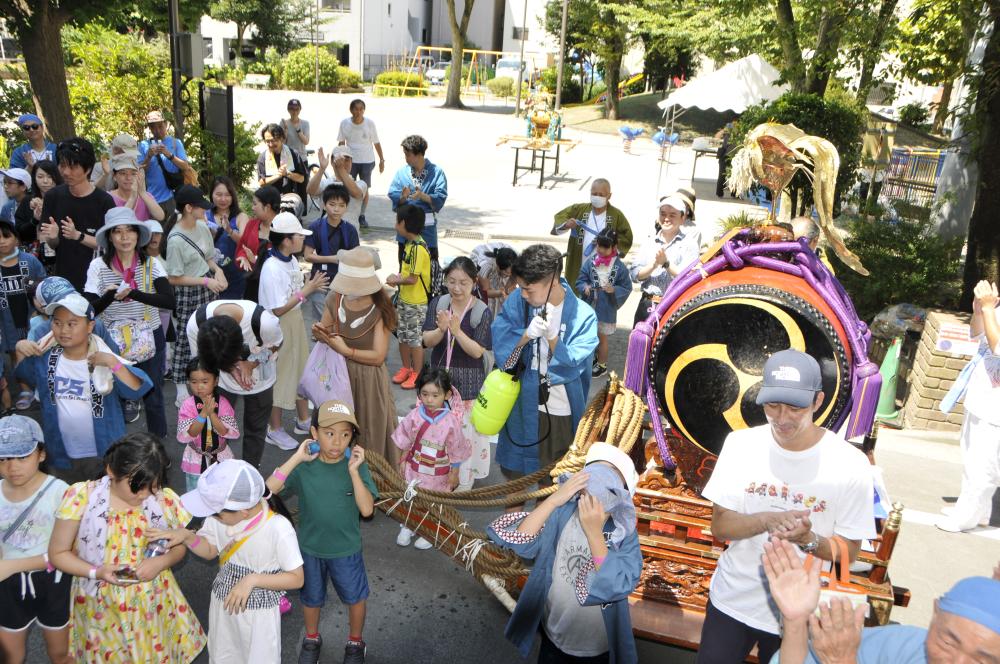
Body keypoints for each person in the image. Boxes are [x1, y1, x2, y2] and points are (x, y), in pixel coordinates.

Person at [696, 349, 877, 664]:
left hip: (801, 611)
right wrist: (766, 520)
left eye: (795, 407)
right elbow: (720, 526)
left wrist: (808, 540)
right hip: (733, 599)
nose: (782, 418)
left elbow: (849, 552)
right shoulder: (741, 446)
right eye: (772, 405)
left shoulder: (850, 464)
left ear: (818, 401)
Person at [47, 433, 206, 663]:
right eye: (137, 487)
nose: (144, 495)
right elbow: (58, 553)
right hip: (100, 605)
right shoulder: (82, 498)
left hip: (152, 602)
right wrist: (98, 572)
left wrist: (160, 562)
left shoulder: (162, 500)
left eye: (152, 487)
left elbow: (178, 546)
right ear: (111, 471)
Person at [487, 442, 643, 663]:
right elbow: (521, 540)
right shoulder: (564, 512)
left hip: (595, 646)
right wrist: (554, 500)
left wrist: (594, 534)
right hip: (553, 631)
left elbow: (619, 584)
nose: (592, 497)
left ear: (620, 499)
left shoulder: (624, 534)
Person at [147, 459, 304, 664]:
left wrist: (251, 580)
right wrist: (187, 536)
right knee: (224, 655)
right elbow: (210, 550)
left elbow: (296, 578)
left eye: (216, 512)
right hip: (224, 605)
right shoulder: (222, 518)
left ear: (243, 511)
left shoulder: (278, 528)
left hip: (259, 616)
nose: (211, 517)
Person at [762, 537, 1000, 664]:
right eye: (948, 643)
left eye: (983, 660)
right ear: (935, 615)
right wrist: (795, 621)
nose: (957, 662)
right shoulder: (907, 644)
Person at [266, 400, 377, 664]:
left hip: (345, 549)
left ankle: (355, 642)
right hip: (309, 548)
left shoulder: (356, 466)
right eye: (329, 433)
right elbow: (267, 490)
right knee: (311, 598)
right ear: (314, 433)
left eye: (345, 435)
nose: (338, 442)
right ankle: (312, 637)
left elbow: (367, 510)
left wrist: (353, 473)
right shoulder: (305, 464)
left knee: (355, 598)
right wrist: (296, 457)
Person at [14, 294, 152, 484]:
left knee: (102, 504)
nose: (63, 330)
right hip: (61, 453)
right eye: (57, 323)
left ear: (90, 326)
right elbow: (25, 375)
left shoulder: (103, 358)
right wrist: (20, 349)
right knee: (69, 503)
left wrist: (113, 363)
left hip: (104, 453)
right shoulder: (46, 357)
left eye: (72, 323)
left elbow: (136, 388)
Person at [492, 244, 598, 492]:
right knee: (515, 481)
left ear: (551, 280)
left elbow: (573, 365)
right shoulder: (519, 302)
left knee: (551, 484)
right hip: (520, 401)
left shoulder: (583, 315)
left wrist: (553, 339)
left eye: (528, 289)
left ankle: (543, 530)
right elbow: (501, 344)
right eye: (521, 288)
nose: (523, 294)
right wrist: (525, 336)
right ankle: (510, 529)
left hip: (558, 407)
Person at [84, 208, 174, 430]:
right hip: (112, 340)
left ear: (137, 235)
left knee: (153, 393)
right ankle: (118, 450)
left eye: (130, 231)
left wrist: (133, 293)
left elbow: (169, 301)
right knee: (112, 393)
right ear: (109, 237)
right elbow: (88, 310)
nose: (124, 237)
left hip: (150, 335)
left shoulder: (152, 264)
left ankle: (157, 445)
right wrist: (110, 295)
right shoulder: (98, 266)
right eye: (117, 232)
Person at [312, 248, 399, 467]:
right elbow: (327, 327)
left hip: (369, 379)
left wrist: (345, 350)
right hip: (339, 375)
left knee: (369, 433)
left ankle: (372, 483)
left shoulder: (381, 307)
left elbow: (378, 356)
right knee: (336, 430)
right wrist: (321, 334)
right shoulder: (335, 297)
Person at [0, 415, 72, 664]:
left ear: (41, 454)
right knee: (10, 656)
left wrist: (11, 565)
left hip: (53, 580)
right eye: (4, 459)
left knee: (60, 654)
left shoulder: (60, 491)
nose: (12, 467)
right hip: (6, 586)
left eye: (22, 456)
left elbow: (69, 550)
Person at [257, 212, 328, 449]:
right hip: (278, 326)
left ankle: (303, 420)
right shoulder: (271, 267)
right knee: (280, 376)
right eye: (299, 236)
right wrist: (307, 289)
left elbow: (294, 293)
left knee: (301, 370)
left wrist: (307, 284)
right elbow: (277, 309)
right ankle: (274, 428)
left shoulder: (291, 261)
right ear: (287, 240)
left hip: (294, 320)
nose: (302, 240)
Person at [421, 257, 493, 491]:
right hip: (439, 385)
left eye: (463, 282)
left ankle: (463, 481)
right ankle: (436, 477)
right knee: (437, 433)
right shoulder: (439, 303)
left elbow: (477, 352)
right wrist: (442, 330)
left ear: (474, 282)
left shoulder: (481, 311)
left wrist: (457, 331)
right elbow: (426, 340)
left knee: (463, 437)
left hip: (469, 385)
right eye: (451, 281)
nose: (456, 288)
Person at [189, 300, 284, 470]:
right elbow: (201, 366)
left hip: (260, 382)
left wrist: (251, 364)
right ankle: (216, 472)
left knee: (255, 429)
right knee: (215, 427)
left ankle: (249, 474)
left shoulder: (265, 323)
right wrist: (230, 368)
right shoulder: (196, 324)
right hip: (221, 385)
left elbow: (276, 344)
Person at [937, 279, 1000, 532]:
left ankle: (966, 517)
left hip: (995, 408)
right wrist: (979, 311)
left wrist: (987, 309)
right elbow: (978, 333)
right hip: (982, 397)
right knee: (972, 456)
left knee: (983, 465)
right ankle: (977, 509)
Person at [393, 367, 470, 548]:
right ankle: (409, 524)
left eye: (435, 395)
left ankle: (430, 529)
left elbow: (456, 448)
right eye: (425, 394)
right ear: (419, 393)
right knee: (412, 496)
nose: (429, 400)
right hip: (415, 467)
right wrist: (403, 460)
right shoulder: (414, 415)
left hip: (439, 472)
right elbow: (406, 439)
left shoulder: (451, 421)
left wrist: (455, 472)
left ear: (446, 394)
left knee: (434, 501)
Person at [164, 184, 226, 399]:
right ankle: (182, 389)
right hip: (189, 292)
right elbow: (173, 278)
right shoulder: (175, 240)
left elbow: (208, 257)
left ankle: (207, 379)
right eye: (201, 207)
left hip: (206, 286)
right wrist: (205, 282)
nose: (205, 210)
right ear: (189, 208)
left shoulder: (202, 227)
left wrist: (218, 271)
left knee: (208, 335)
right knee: (185, 337)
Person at [38, 138, 116, 291]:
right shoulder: (53, 196)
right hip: (65, 280)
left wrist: (78, 236)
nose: (66, 172)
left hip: (99, 280)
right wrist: (53, 237)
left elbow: (111, 244)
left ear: (87, 169)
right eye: (62, 165)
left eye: (73, 167)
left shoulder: (104, 201)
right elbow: (52, 244)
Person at [629, 189, 701, 327]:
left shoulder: (689, 244)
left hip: (673, 307)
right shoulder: (649, 241)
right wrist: (654, 265)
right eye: (663, 214)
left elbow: (691, 277)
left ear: (682, 218)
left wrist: (666, 264)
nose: (666, 218)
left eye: (672, 215)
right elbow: (634, 274)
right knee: (640, 346)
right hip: (647, 305)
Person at [552, 178, 633, 292]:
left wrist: (611, 243)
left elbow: (626, 237)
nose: (597, 197)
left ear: (609, 196)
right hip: (578, 263)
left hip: (604, 268)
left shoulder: (616, 215)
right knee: (577, 294)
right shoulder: (579, 209)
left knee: (600, 298)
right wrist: (566, 224)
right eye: (594, 194)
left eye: (601, 194)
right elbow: (561, 216)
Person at [302, 183, 360, 340]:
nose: (336, 209)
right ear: (324, 205)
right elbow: (307, 255)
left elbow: (355, 257)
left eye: (341, 205)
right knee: (322, 322)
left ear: (346, 207)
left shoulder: (350, 230)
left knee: (339, 319)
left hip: (343, 281)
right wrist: (333, 259)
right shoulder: (315, 226)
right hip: (320, 280)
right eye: (332, 204)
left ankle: (333, 343)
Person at [0, 219, 46, 411]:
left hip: (30, 314)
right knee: (14, 351)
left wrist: (41, 308)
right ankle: (25, 388)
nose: (2, 241)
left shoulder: (30, 260)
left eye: (6, 236)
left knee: (37, 348)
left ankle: (41, 385)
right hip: (6, 318)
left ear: (16, 239)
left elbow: (42, 282)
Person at [576, 228, 633, 378]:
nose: (600, 250)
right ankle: (591, 359)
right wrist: (585, 287)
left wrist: (613, 289)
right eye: (599, 245)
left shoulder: (619, 267)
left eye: (605, 247)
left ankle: (602, 365)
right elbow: (581, 279)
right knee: (588, 334)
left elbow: (627, 286)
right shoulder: (591, 261)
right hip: (589, 305)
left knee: (602, 338)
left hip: (606, 308)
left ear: (614, 247)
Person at [177, 357, 238, 491]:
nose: (199, 386)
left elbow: (224, 432)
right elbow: (191, 433)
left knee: (220, 492)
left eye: (205, 381)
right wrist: (203, 414)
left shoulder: (223, 403)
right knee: (196, 491)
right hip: (196, 457)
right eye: (194, 382)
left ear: (215, 381)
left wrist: (212, 414)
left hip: (220, 456)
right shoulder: (187, 405)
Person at [387, 204, 431, 390]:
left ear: (403, 223)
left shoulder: (418, 249)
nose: (396, 224)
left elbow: (412, 279)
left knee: (414, 340)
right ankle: (406, 367)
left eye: (397, 221)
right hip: (406, 300)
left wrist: (395, 281)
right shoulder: (410, 244)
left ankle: (417, 372)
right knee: (403, 337)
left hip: (416, 303)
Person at [387, 135, 447, 263]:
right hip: (406, 231)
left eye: (408, 155)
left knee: (429, 269)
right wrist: (403, 197)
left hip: (427, 231)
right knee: (404, 269)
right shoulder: (401, 173)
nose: (406, 158)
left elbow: (440, 197)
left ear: (419, 154)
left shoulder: (437, 172)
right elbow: (393, 193)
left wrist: (422, 196)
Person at [338, 99, 385, 228]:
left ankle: (361, 215)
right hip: (350, 161)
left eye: (361, 109)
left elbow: (376, 142)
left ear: (364, 110)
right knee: (348, 186)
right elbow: (341, 142)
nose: (358, 112)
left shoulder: (369, 124)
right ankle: (346, 212)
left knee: (364, 189)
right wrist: (341, 160)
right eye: (356, 109)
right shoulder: (344, 123)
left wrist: (382, 160)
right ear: (351, 110)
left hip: (367, 161)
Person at [205, 176, 249, 300]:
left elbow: (245, 243)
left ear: (233, 196)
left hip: (235, 276)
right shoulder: (204, 215)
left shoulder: (240, 217)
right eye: (218, 194)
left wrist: (229, 230)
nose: (223, 199)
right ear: (211, 194)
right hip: (210, 276)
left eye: (227, 195)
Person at [234, 185, 281, 302]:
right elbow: (242, 247)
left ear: (267, 207)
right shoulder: (252, 224)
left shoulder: (283, 228)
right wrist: (243, 257)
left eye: (255, 204)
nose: (252, 208)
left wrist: (255, 260)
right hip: (252, 285)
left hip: (274, 288)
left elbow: (284, 259)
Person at [139, 110, 189, 219]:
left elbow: (185, 166)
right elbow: (140, 171)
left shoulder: (176, 143)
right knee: (155, 232)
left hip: (173, 196)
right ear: (150, 128)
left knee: (171, 232)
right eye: (153, 127)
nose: (157, 130)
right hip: (151, 198)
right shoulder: (144, 145)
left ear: (166, 124)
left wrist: (169, 154)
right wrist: (148, 157)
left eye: (160, 126)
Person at [305, 146, 368, 231]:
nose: (342, 163)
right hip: (326, 235)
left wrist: (341, 169)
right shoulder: (325, 183)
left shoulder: (361, 184)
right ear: (331, 162)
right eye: (339, 160)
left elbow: (356, 193)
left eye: (346, 160)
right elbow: (310, 190)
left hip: (350, 236)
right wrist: (322, 169)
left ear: (351, 162)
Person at [21, 159, 62, 256]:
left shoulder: (65, 199)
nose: (45, 181)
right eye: (40, 176)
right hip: (34, 255)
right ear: (34, 178)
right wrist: (35, 220)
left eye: (50, 176)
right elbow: (20, 233)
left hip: (61, 254)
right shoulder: (28, 201)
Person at [107, 153, 164, 222]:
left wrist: (143, 193)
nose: (128, 178)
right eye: (123, 173)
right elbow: (118, 223)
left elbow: (160, 216)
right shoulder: (107, 197)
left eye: (133, 174)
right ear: (114, 176)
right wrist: (133, 197)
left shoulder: (145, 196)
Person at [256, 123, 308, 199]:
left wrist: (287, 173)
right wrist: (278, 175)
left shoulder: (293, 154)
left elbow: (301, 179)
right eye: (267, 141)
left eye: (273, 140)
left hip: (290, 199)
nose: (270, 144)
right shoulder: (263, 157)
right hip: (270, 200)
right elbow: (261, 183)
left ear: (282, 139)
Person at [471, 242, 517, 317]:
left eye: (510, 273)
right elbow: (486, 292)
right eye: (506, 272)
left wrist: (507, 290)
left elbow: (513, 280)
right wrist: (500, 292)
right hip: (480, 256)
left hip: (504, 255)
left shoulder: (517, 263)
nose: (508, 275)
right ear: (498, 266)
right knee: (488, 300)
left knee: (503, 297)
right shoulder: (485, 267)